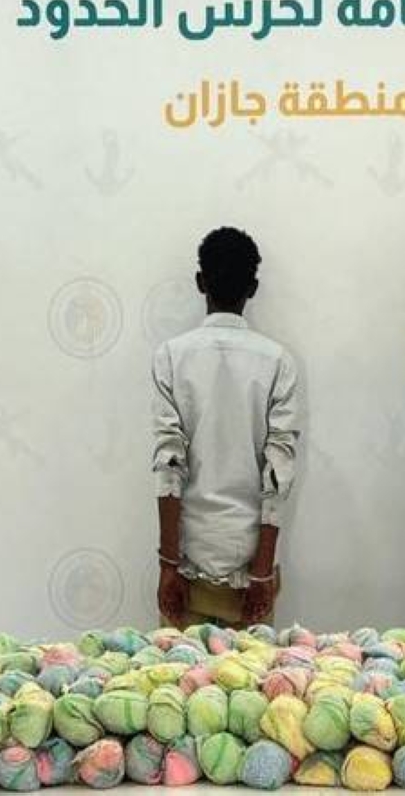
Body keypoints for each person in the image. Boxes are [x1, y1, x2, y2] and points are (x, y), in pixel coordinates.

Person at [151, 227, 300, 628]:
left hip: (187, 566)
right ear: (253, 288)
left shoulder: (171, 357)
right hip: (252, 566)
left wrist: (168, 565)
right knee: (253, 668)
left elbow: (168, 465)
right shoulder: (278, 361)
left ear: (200, 282)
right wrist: (262, 573)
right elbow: (279, 471)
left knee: (178, 669)